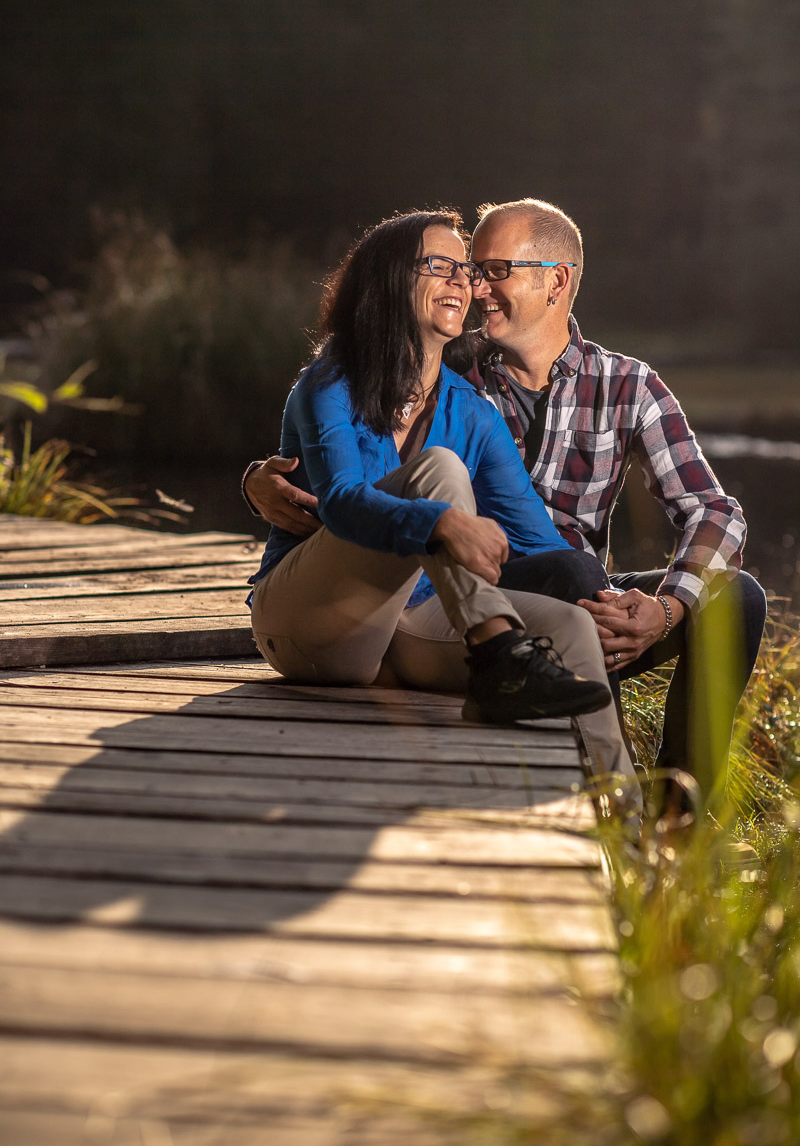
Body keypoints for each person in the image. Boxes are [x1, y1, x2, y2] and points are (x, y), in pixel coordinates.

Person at [246, 199, 766, 818]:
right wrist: (255, 481)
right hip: (433, 590)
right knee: (553, 559)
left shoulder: (623, 386)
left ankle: (660, 826)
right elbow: (333, 470)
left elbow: (712, 509)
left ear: (557, 280)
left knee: (732, 596)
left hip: (538, 590)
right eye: (466, 269)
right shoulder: (437, 360)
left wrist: (660, 607)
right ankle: (525, 683)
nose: (474, 288)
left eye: (492, 271)